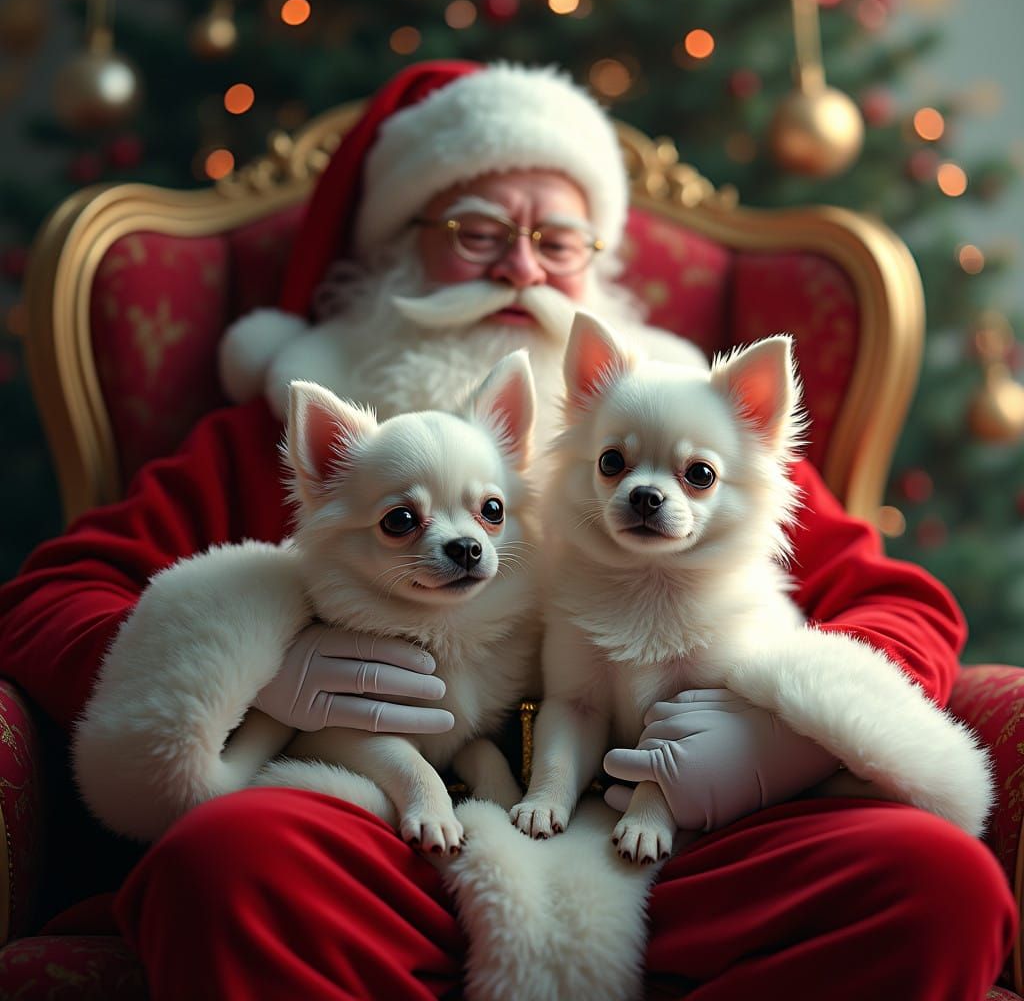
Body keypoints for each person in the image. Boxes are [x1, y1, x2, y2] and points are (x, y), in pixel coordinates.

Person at [0, 59, 1014, 1000]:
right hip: (389, 842)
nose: (521, 269)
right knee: (227, 867)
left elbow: (899, 603)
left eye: (559, 241)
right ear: (396, 253)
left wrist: (777, 735)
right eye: (476, 231)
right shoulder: (294, 432)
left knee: (932, 880)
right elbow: (49, 600)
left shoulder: (681, 431)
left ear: (598, 272)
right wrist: (241, 662)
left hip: (683, 843)